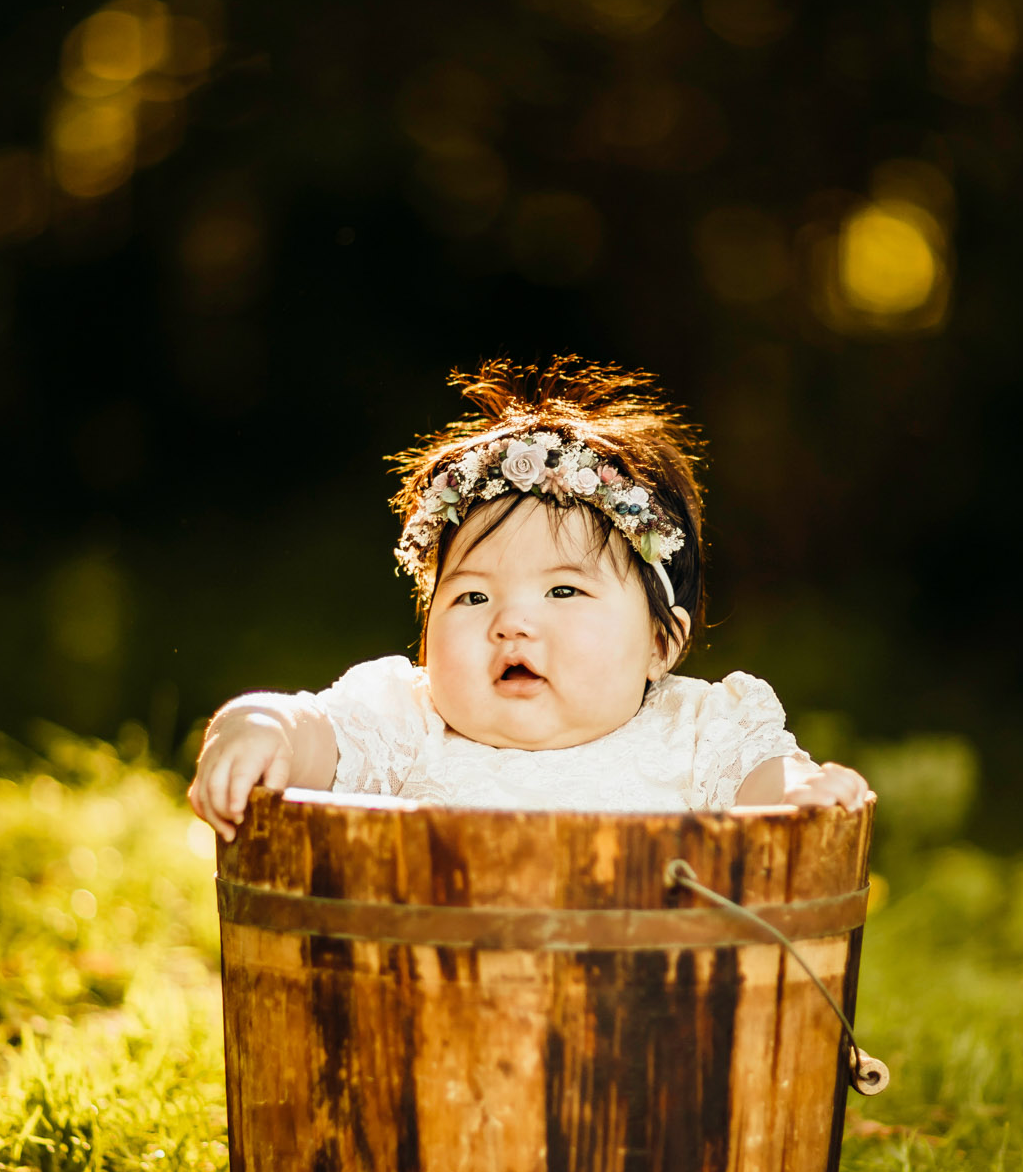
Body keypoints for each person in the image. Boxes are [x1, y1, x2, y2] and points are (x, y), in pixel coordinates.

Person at [189, 357, 872, 838]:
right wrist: (259, 730)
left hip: (647, 1020)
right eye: (472, 598)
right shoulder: (406, 721)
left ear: (660, 644)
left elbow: (763, 780)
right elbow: (312, 732)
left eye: (564, 589)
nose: (511, 622)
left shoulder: (696, 731)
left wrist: (799, 795)